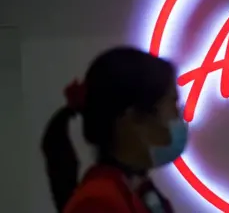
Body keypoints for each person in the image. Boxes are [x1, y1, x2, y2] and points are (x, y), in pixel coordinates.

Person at [41, 46, 188, 213]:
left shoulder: (138, 189)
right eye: (173, 103)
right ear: (133, 119)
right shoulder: (98, 203)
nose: (179, 114)